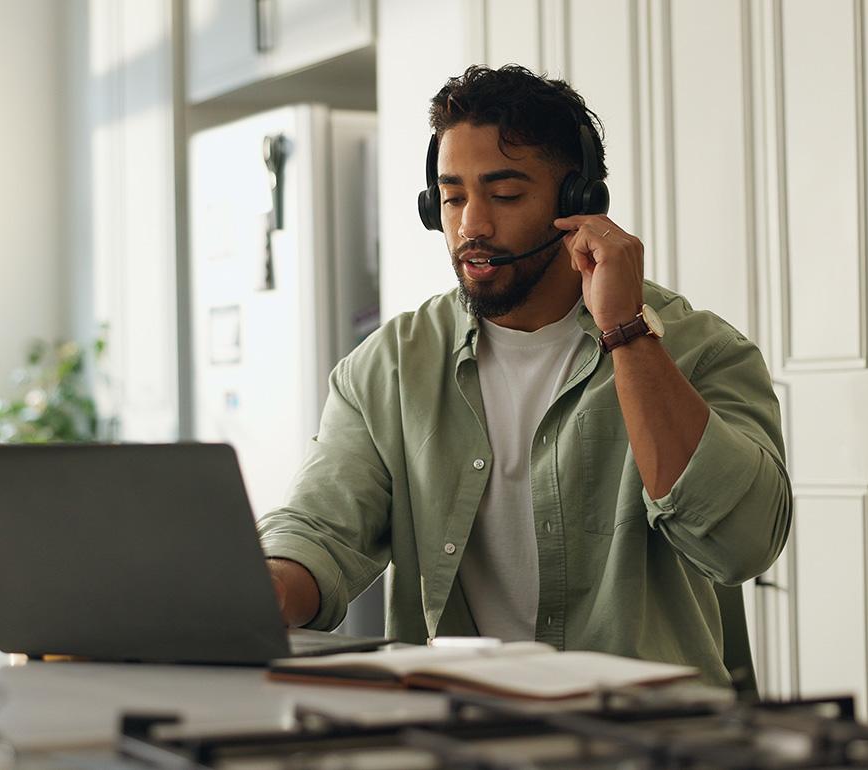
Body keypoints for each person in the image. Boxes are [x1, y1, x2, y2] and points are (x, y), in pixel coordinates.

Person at [259, 64, 791, 686]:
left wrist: (625, 331)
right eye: (452, 197)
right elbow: (320, 530)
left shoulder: (700, 351)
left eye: (504, 195)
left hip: (645, 736)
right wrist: (262, 588)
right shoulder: (390, 366)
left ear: (578, 203)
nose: (471, 226)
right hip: (458, 731)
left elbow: (744, 542)